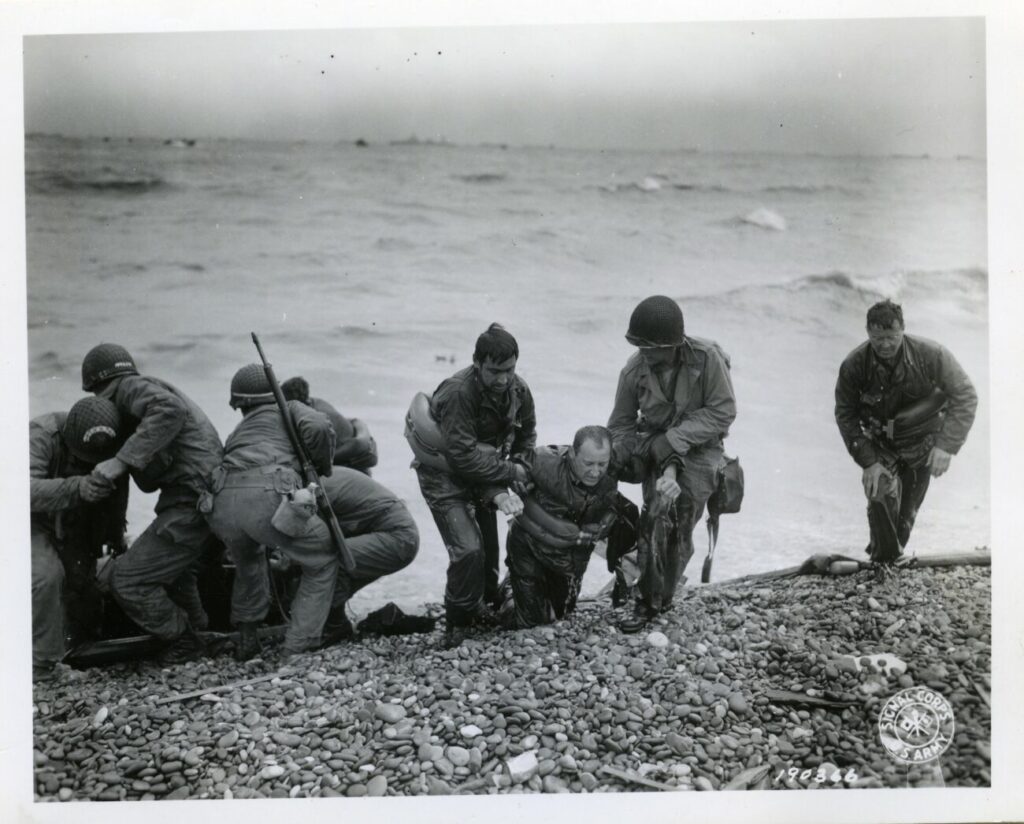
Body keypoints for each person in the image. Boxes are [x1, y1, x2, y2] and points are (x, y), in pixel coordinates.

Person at [208, 365, 418, 659]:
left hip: (222, 500)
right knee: (322, 560)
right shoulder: (290, 408)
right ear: (276, 393)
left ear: (239, 404)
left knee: (249, 564)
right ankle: (297, 649)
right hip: (268, 492)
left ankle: (247, 640)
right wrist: (320, 467)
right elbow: (319, 427)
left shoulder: (239, 432)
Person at [84, 343, 224, 663]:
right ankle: (200, 634)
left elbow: (168, 410)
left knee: (127, 581)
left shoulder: (130, 388)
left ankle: (184, 639)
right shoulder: (141, 393)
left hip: (192, 501)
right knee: (178, 573)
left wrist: (119, 461)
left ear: (99, 386)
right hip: (200, 497)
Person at [607, 296, 737, 633]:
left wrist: (674, 443)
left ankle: (655, 597)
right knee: (655, 512)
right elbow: (619, 425)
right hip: (654, 443)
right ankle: (644, 585)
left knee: (678, 518)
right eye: (639, 346)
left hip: (701, 449)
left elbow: (723, 411)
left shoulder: (707, 359)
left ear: (674, 345)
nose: (644, 353)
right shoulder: (633, 370)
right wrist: (623, 456)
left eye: (652, 347)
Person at [409, 323, 536, 647]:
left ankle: (487, 605)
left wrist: (521, 463)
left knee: (490, 552)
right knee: (468, 549)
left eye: (509, 369)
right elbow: (462, 458)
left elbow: (527, 433)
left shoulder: (518, 390)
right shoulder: (457, 393)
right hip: (445, 476)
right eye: (495, 371)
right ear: (477, 363)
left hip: (487, 472)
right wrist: (510, 473)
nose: (503, 379)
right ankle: (457, 623)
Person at [834, 299, 977, 565]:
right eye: (877, 338)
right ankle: (882, 563)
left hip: (922, 443)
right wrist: (869, 461)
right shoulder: (854, 365)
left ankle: (886, 563)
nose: (885, 345)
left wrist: (946, 446)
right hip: (880, 444)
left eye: (891, 337)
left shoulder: (931, 354)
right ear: (868, 333)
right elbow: (846, 416)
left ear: (903, 329)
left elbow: (966, 395)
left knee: (905, 519)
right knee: (880, 494)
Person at [30, 397, 128, 682]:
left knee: (85, 590)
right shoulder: (41, 435)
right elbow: (17, 488)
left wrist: (114, 533)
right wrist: (78, 487)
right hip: (27, 521)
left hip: (72, 520)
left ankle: (74, 650)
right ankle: (41, 667)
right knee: (45, 576)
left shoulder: (114, 441)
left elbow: (119, 485)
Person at [501, 426, 621, 629]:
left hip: (569, 559)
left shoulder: (612, 473)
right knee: (528, 621)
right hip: (529, 548)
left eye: (602, 463)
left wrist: (605, 525)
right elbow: (504, 470)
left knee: (560, 613)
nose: (595, 471)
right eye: (588, 463)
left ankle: (525, 589)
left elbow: (618, 500)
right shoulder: (543, 460)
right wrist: (513, 486)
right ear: (573, 453)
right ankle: (508, 588)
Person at [281, 376, 379, 474]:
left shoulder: (315, 417)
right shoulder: (315, 402)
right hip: (353, 460)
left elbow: (355, 445)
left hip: (353, 467)